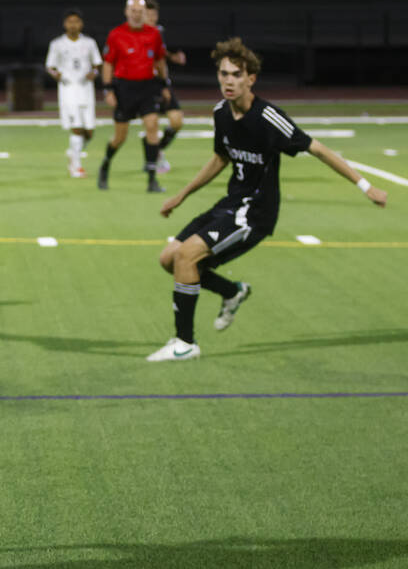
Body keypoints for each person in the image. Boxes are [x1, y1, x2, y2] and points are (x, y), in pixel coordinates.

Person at [149, 37, 388, 362]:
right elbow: (220, 158)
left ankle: (185, 343)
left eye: (236, 74)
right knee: (169, 259)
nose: (228, 81)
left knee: (187, 256)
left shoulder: (269, 118)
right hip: (231, 203)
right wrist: (181, 195)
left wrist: (365, 186)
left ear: (251, 78)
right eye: (223, 74)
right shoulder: (220, 112)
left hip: (255, 212)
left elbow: (317, 148)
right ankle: (232, 292)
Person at [98, 0, 168, 193]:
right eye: (133, 11)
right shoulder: (116, 34)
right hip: (124, 89)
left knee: (152, 127)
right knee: (120, 137)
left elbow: (160, 61)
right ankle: (105, 165)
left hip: (147, 87)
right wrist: (108, 89)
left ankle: (152, 180)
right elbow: (108, 63)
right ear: (127, 12)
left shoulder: (154, 34)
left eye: (140, 11)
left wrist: (164, 84)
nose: (137, 14)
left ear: (145, 14)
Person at [44, 8, 102, 178]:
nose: (73, 25)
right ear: (65, 24)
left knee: (89, 132)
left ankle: (73, 152)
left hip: (86, 90)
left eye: (76, 21)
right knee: (76, 128)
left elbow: (97, 64)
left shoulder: (89, 43)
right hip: (68, 90)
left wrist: (95, 73)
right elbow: (50, 67)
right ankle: (76, 166)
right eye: (70, 21)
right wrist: (58, 75)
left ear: (81, 24)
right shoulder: (57, 44)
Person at [145, 0, 186, 175]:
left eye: (155, 14)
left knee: (177, 121)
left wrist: (173, 58)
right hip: (145, 84)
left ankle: (158, 149)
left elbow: (160, 52)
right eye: (149, 14)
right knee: (151, 124)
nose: (153, 17)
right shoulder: (135, 34)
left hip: (162, 82)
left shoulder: (159, 31)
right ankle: (154, 160)